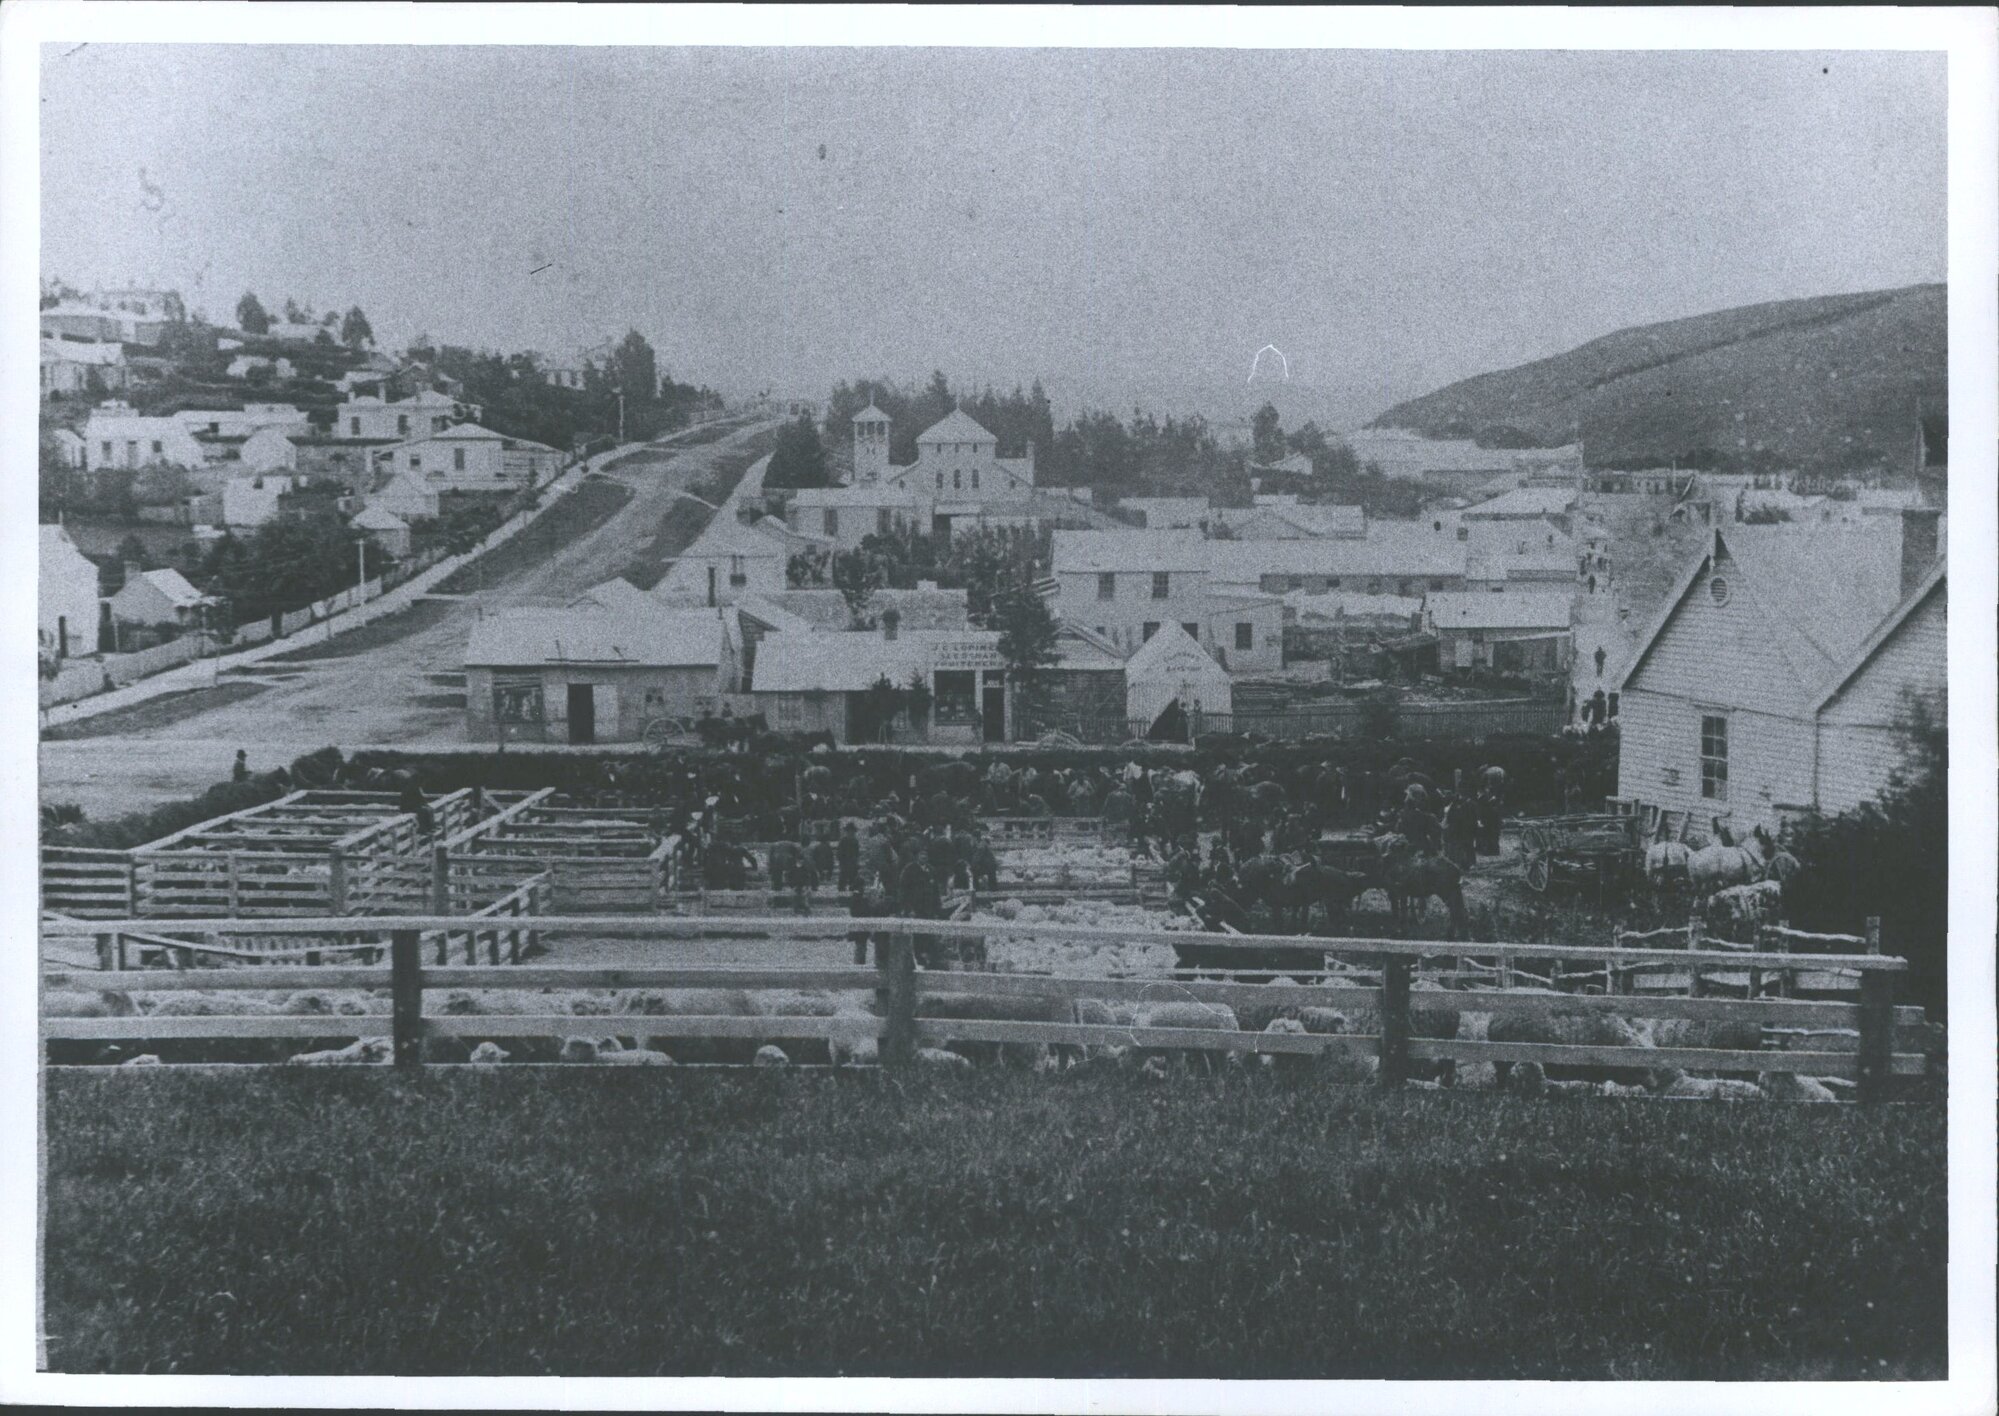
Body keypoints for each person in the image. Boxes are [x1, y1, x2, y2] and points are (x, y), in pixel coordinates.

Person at [835, 821, 861, 893]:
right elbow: (839, 852)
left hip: (852, 862)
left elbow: (857, 853)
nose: (851, 833)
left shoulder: (855, 841)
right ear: (847, 831)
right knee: (843, 878)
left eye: (853, 831)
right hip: (845, 862)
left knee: (853, 879)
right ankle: (841, 892)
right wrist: (841, 860)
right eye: (850, 831)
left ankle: (852, 893)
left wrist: (857, 861)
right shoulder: (843, 840)